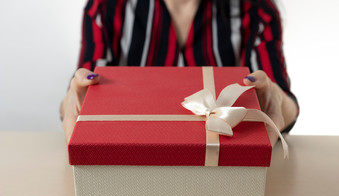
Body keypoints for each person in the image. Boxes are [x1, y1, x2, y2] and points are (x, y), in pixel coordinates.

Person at [60, 0, 299, 145]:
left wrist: (277, 102)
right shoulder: (105, 8)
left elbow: (281, 101)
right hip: (131, 174)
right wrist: (73, 102)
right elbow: (81, 91)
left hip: (222, 177)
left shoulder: (257, 11)